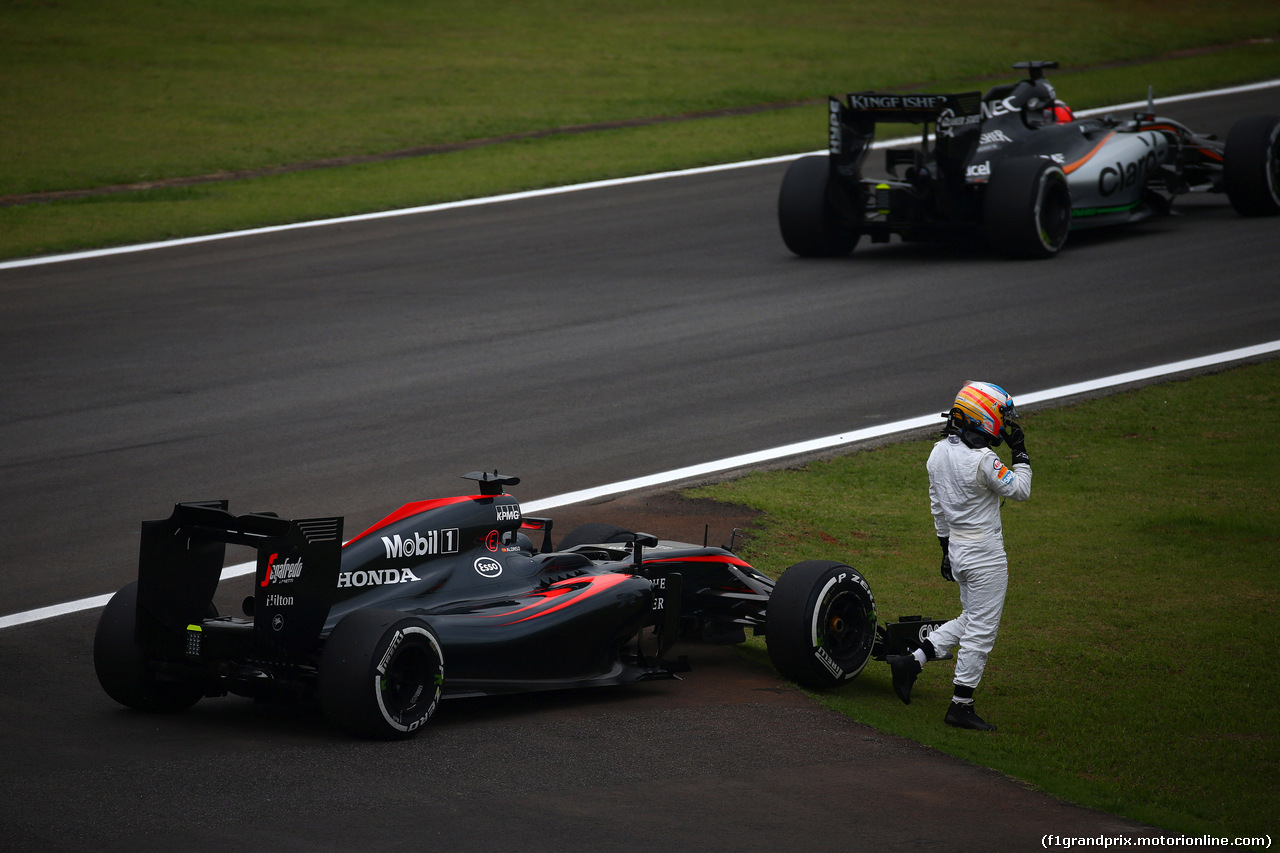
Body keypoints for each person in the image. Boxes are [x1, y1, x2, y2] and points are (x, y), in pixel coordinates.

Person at [886, 381, 1032, 731]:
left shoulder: (937, 452)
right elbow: (1021, 490)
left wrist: (944, 550)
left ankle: (913, 661)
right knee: (982, 629)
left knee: (972, 618)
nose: (1005, 423)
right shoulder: (984, 460)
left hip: (958, 549)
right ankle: (960, 706)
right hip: (985, 553)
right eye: (1002, 416)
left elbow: (938, 506)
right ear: (983, 416)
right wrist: (1022, 453)